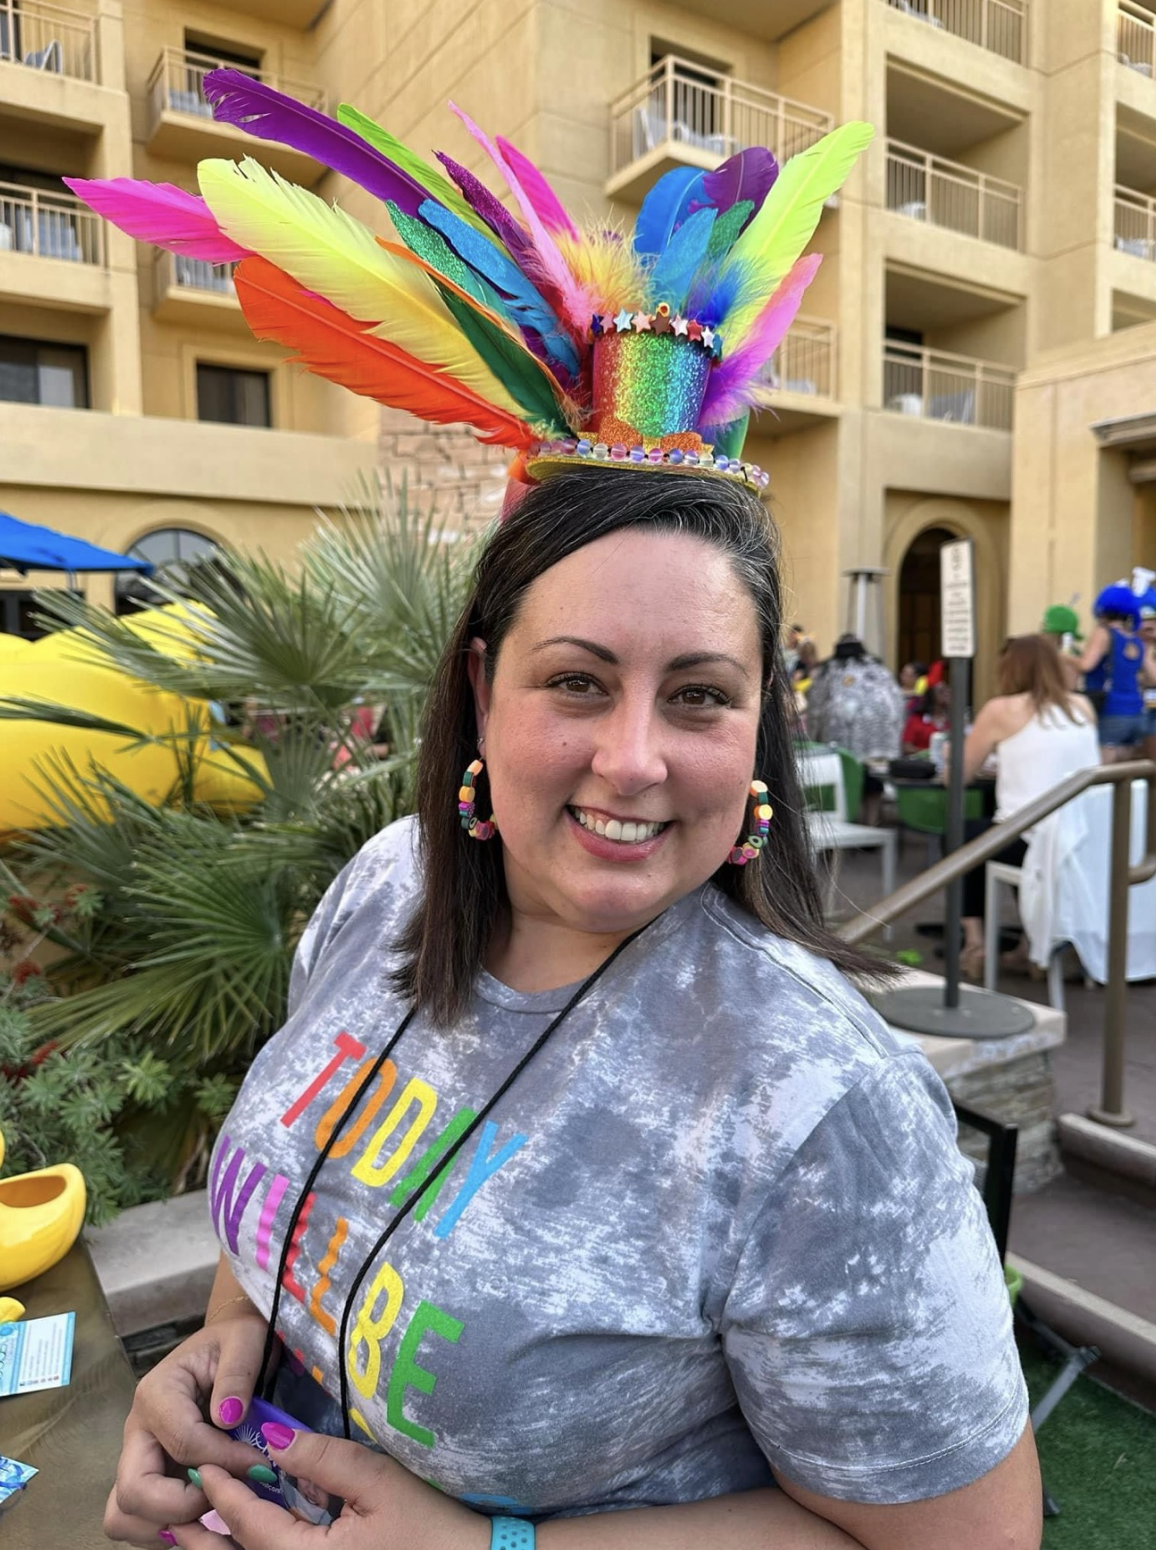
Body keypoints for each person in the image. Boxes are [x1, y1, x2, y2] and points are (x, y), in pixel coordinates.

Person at [83, 89, 1041, 1550]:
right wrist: (223, 1354)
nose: (635, 757)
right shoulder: (386, 887)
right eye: (578, 680)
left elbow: (967, 1543)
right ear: (482, 687)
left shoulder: (818, 1109)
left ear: (758, 734)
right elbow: (313, 1191)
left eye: (701, 695)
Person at [956, 635, 1101, 979]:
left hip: (1036, 840)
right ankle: (1034, 945)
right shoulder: (1082, 707)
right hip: (1083, 839)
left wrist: (952, 757)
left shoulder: (1000, 710)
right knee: (999, 833)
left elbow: (959, 776)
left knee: (966, 837)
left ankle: (975, 943)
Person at [1079, 584, 1146, 760]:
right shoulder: (1137, 640)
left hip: (1110, 709)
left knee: (1103, 774)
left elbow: (1086, 665)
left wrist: (1064, 658)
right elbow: (1152, 676)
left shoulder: (1103, 633)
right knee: (1123, 776)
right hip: (1136, 712)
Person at [1039, 604, 1082, 691]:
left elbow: (1069, 686)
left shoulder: (1070, 656)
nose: (1042, 635)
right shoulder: (1040, 652)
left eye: (1045, 632)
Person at [902, 681, 950, 754]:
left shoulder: (952, 719)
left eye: (947, 691)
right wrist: (929, 753)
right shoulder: (917, 719)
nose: (946, 694)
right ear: (931, 695)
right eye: (941, 691)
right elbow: (906, 747)